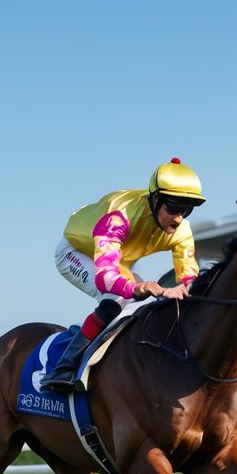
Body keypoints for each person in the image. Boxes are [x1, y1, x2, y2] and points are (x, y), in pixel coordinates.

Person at [42, 158, 206, 391]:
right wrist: (138, 287)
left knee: (149, 306)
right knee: (115, 300)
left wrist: (190, 291)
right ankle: (64, 368)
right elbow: (105, 278)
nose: (178, 218)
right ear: (155, 199)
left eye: (185, 210)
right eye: (172, 208)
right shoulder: (119, 216)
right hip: (76, 251)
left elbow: (191, 278)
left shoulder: (182, 231)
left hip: (118, 259)